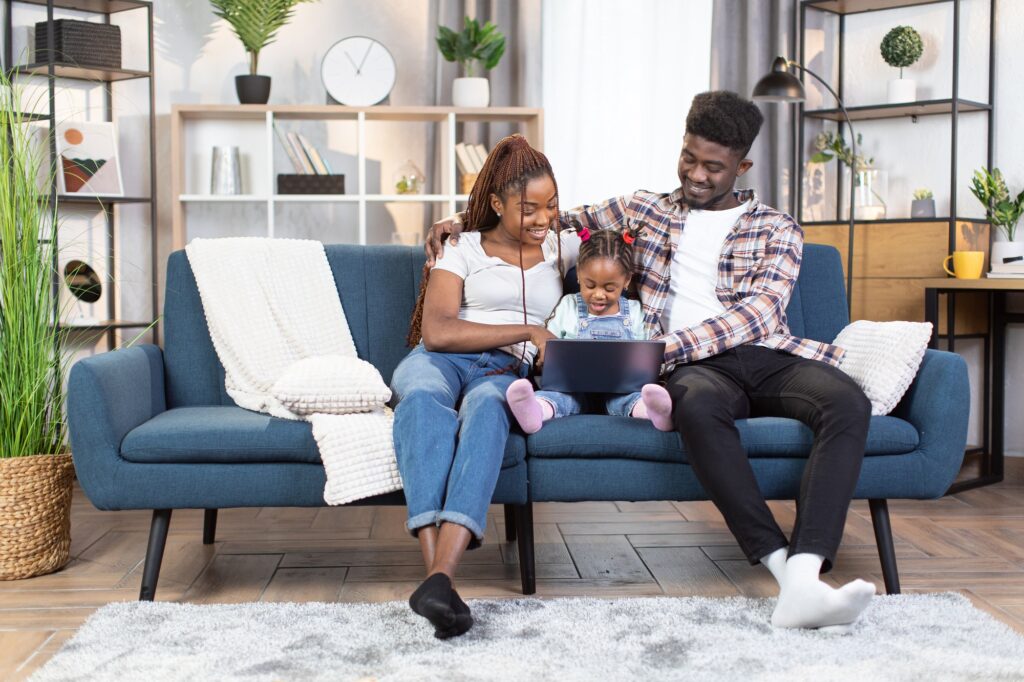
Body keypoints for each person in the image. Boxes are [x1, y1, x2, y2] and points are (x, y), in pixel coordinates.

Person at [425, 91, 876, 631]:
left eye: (713, 166)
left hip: (760, 354)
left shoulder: (777, 228)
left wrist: (660, 350)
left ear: (743, 165)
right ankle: (787, 578)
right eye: (689, 158)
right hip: (694, 372)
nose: (697, 174)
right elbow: (550, 216)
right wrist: (461, 220)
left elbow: (759, 315)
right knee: (698, 409)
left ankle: (806, 571)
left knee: (847, 401)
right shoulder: (646, 208)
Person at [391, 134, 579, 638]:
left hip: (502, 373)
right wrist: (529, 329)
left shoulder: (564, 246)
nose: (543, 219)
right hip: (441, 360)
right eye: (528, 209)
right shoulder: (462, 245)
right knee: (422, 400)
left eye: (551, 205)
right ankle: (440, 581)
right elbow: (439, 330)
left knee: (490, 411)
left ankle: (437, 584)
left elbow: (619, 242)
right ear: (496, 203)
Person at [505, 227, 674, 434]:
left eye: (609, 288)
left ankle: (653, 412)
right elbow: (549, 344)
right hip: (573, 389)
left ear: (627, 281)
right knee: (558, 398)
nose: (599, 295)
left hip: (621, 391)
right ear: (579, 276)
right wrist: (544, 357)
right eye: (590, 285)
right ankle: (535, 411)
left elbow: (647, 355)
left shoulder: (636, 312)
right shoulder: (569, 306)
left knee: (631, 399)